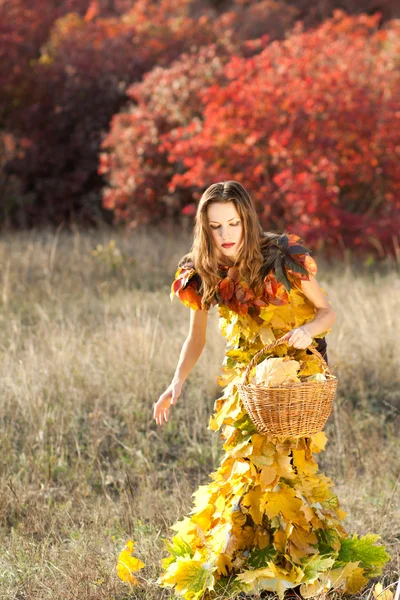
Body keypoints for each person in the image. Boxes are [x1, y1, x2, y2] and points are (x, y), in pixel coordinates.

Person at [153, 181, 390, 599]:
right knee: (246, 462)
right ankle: (251, 561)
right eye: (215, 226)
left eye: (233, 223)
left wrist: (305, 331)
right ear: (203, 229)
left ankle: (297, 568)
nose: (226, 234)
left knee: (286, 464)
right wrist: (175, 383)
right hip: (247, 372)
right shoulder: (201, 269)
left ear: (247, 220)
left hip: (296, 368)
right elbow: (196, 339)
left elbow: (327, 312)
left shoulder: (280, 258)